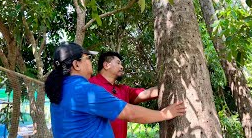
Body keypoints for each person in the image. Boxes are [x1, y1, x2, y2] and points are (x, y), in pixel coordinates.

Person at [45, 42, 185, 138]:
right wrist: (164, 114)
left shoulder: (61, 89)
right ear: (76, 64)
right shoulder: (86, 90)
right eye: (88, 58)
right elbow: (130, 113)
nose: (90, 62)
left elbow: (142, 94)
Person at [89, 51, 158, 138]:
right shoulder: (89, 85)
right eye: (118, 63)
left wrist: (165, 88)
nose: (122, 67)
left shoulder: (123, 89)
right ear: (106, 65)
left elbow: (145, 94)